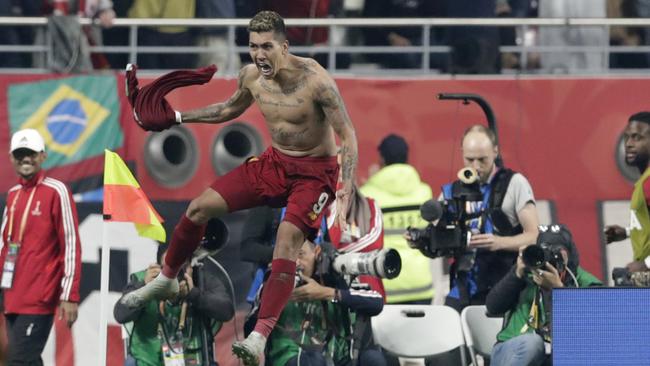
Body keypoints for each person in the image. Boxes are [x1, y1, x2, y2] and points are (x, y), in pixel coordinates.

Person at [121, 10, 358, 365]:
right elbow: (228, 110)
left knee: (286, 242)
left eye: (267, 46)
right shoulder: (251, 77)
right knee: (198, 208)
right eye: (252, 47)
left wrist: (346, 185)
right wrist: (178, 118)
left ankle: (260, 335)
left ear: (285, 46)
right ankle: (168, 277)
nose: (259, 55)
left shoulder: (316, 81)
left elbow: (348, 133)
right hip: (274, 164)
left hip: (314, 173)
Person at [0, 128, 82, 365]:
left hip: (39, 297)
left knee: (19, 361)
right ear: (11, 158)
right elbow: (4, 244)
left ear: (43, 156)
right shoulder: (13, 195)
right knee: (27, 360)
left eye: (32, 153)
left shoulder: (56, 191)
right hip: (13, 296)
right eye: (20, 153)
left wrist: (69, 294)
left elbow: (71, 244)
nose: (26, 158)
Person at [441, 124, 539, 311]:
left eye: (482, 160)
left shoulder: (514, 183)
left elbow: (534, 235)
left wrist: (499, 242)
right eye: (469, 159)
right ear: (461, 153)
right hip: (462, 289)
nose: (475, 166)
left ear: (495, 152)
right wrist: (425, 241)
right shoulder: (452, 191)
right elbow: (440, 241)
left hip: (504, 287)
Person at [486, 225, 601, 366]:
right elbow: (492, 307)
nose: (551, 258)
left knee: (568, 353)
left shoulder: (586, 283)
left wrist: (558, 290)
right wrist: (516, 273)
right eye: (545, 251)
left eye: (557, 252)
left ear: (570, 254)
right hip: (511, 351)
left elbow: (595, 330)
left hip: (554, 356)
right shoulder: (526, 275)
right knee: (532, 343)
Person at [261, 240, 386, 366]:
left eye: (300, 255)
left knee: (374, 359)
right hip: (293, 358)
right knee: (314, 361)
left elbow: (376, 301)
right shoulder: (274, 280)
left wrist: (328, 293)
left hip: (338, 358)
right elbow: (253, 318)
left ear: (316, 252)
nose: (296, 263)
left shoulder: (337, 278)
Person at [114, 245, 234, 366]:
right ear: (159, 268)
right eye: (170, 267)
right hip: (147, 361)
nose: (176, 274)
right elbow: (120, 314)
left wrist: (194, 294)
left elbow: (227, 311)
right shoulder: (145, 280)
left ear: (191, 266)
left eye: (182, 267)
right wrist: (145, 288)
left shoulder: (201, 281)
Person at [360, 134, 434, 304]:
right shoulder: (424, 192)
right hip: (420, 285)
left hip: (385, 284)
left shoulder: (367, 195)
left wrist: (371, 180)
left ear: (381, 159)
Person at [605, 112, 650, 273]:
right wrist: (628, 232)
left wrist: (646, 264)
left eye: (637, 137)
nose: (629, 144)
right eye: (627, 137)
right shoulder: (644, 181)